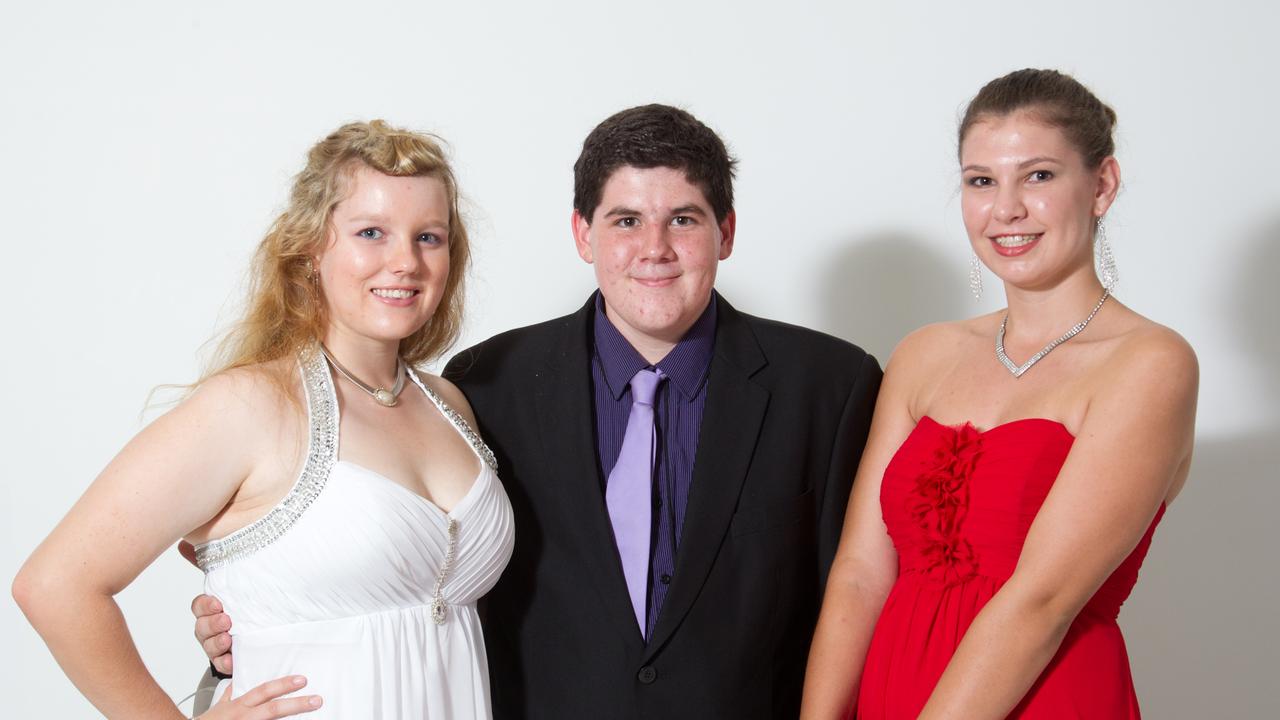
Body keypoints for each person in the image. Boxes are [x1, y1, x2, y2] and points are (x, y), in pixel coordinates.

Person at [194, 103, 883, 718]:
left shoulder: (831, 385)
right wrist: (246, 623)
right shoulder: (484, 385)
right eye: (625, 221)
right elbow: (388, 551)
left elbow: (865, 593)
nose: (654, 249)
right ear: (583, 234)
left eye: (683, 219)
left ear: (725, 232)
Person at [13, 120, 513, 719]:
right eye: (371, 232)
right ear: (311, 249)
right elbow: (54, 585)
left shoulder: (450, 404)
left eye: (428, 236)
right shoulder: (252, 406)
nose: (404, 261)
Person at [800, 69, 1199, 719]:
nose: (1005, 208)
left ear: (1101, 186)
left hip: (1044, 696)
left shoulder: (1150, 364)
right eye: (981, 181)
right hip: (891, 692)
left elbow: (1040, 602)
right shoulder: (925, 353)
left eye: (1038, 176)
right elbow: (860, 573)